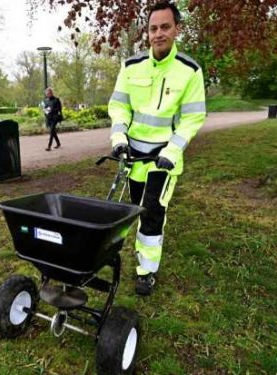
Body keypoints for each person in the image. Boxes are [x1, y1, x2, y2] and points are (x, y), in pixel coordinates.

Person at [107, 1, 206, 296]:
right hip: (133, 157)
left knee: (151, 214)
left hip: (163, 160)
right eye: (153, 28)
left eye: (165, 27)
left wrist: (172, 151)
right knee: (131, 211)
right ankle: (115, 254)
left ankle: (146, 271)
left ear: (177, 29)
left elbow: (192, 118)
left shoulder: (189, 71)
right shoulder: (130, 67)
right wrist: (118, 140)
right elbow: (119, 106)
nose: (158, 33)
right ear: (146, 33)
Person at [42, 87, 63, 151]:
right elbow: (44, 109)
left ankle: (49, 146)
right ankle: (58, 143)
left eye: (50, 92)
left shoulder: (56, 99)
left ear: (52, 93)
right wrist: (46, 112)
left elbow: (59, 109)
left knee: (51, 131)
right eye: (47, 93)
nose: (49, 94)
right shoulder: (45, 100)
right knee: (53, 131)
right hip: (49, 118)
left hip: (55, 118)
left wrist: (52, 110)